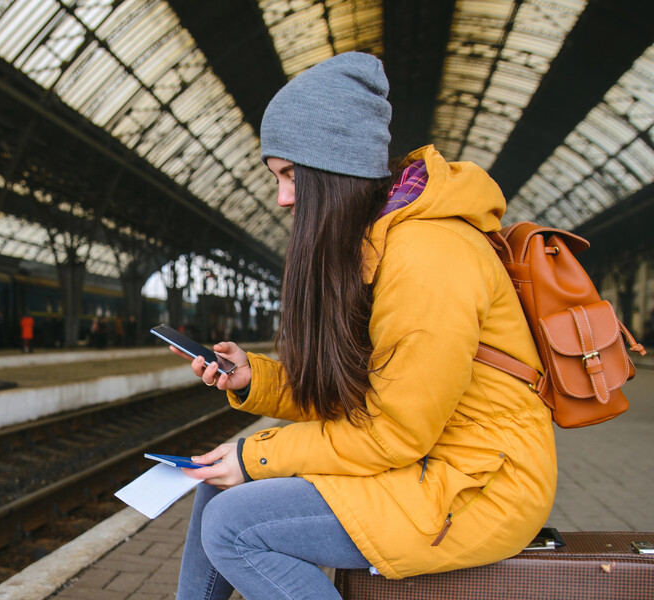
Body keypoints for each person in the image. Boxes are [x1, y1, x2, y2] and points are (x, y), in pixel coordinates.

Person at [171, 52, 557, 600]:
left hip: (476, 489)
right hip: (428, 465)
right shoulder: (377, 247)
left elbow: (394, 433)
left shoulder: (427, 256)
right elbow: (356, 397)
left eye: (288, 175)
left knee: (233, 525)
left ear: (332, 167)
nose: (282, 197)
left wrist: (254, 455)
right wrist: (254, 380)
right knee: (217, 488)